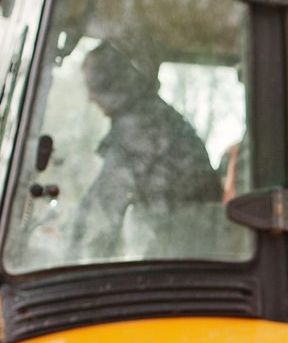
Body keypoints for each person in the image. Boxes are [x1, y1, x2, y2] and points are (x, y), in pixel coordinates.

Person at [72, 41, 221, 258]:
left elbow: (100, 217)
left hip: (181, 254)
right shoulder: (156, 117)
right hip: (186, 246)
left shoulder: (139, 129)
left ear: (110, 82)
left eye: (92, 84)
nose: (90, 97)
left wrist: (74, 254)